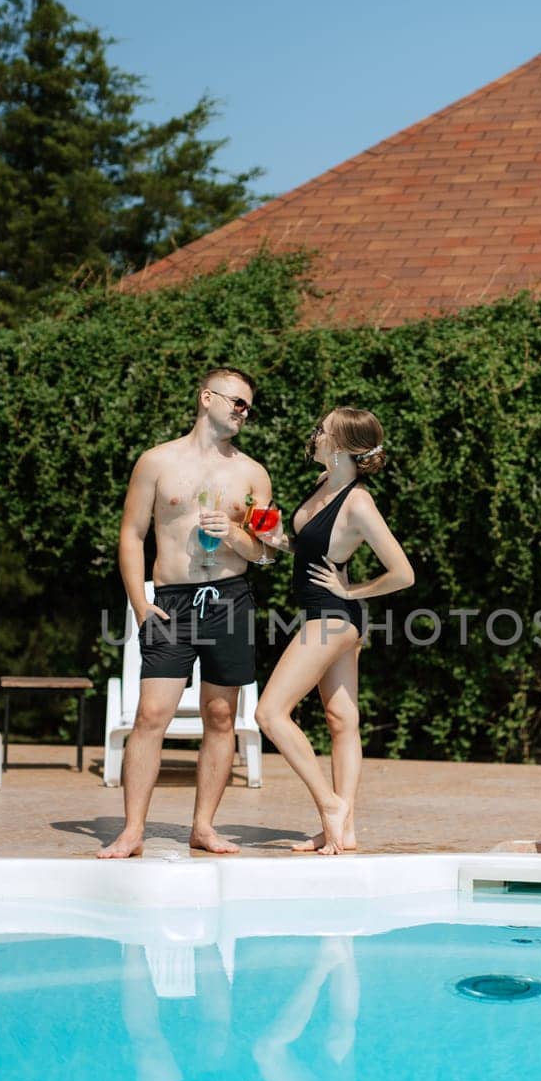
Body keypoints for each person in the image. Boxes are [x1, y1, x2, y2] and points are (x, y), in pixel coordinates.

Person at [97, 368, 271, 858]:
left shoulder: (253, 473)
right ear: (206, 397)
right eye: (237, 402)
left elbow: (266, 552)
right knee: (151, 714)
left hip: (230, 599)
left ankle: (203, 826)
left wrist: (237, 535)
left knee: (221, 716)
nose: (243, 412)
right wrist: (139, 602)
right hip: (169, 602)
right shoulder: (156, 462)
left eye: (248, 408)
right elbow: (131, 535)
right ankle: (133, 830)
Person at [253, 407, 414, 855]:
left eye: (322, 430)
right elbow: (310, 552)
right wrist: (277, 540)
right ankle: (344, 831)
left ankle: (330, 806)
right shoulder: (326, 484)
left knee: (269, 713)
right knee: (342, 721)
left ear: (342, 446)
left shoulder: (359, 501)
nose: (316, 434)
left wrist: (352, 587)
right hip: (325, 614)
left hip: (334, 617)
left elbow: (403, 573)